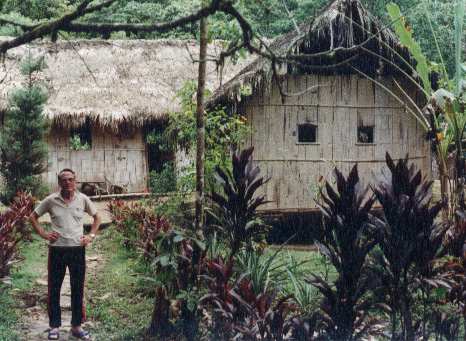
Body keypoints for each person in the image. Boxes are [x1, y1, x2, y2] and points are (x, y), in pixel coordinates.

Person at [30, 168, 101, 340]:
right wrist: (44, 234)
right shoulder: (51, 200)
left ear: (75, 181)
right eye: (64, 180)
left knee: (77, 288)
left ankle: (76, 326)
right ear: (59, 182)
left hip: (77, 249)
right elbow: (32, 217)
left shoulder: (83, 199)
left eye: (70, 179)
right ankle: (54, 326)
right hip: (57, 250)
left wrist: (90, 236)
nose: (67, 183)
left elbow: (97, 217)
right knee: (54, 288)